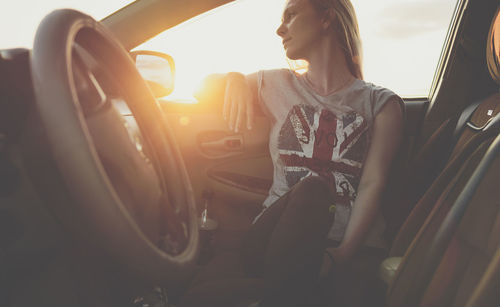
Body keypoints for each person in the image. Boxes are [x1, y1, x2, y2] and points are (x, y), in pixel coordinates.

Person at [180, 0, 403, 306]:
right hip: (273, 239)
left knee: (197, 299)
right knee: (311, 190)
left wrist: (341, 254)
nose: (279, 29)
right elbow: (202, 88)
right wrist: (234, 77)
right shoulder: (274, 84)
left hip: (342, 245)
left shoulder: (381, 103)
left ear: (326, 18)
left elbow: (371, 184)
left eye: (292, 15)